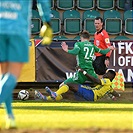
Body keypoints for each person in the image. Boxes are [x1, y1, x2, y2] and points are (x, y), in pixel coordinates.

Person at [0, 0, 52, 129]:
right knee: (12, 75)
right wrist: (47, 22)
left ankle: (10, 117)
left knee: (3, 76)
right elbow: (43, 1)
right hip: (18, 30)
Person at [35, 31, 115, 101]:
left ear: (81, 37)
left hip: (81, 72)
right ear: (88, 38)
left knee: (63, 85)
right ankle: (110, 96)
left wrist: (67, 50)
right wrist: (109, 48)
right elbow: (103, 51)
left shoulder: (79, 44)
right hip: (91, 72)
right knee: (100, 83)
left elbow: (75, 51)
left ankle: (54, 95)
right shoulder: (92, 46)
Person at [35, 68, 120, 102]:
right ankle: (46, 98)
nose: (105, 74)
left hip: (91, 94)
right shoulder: (109, 87)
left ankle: (55, 94)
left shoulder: (107, 81)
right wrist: (118, 96)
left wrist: (84, 72)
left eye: (107, 74)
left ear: (111, 76)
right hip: (90, 97)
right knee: (66, 94)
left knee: (70, 84)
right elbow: (113, 92)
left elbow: (95, 80)